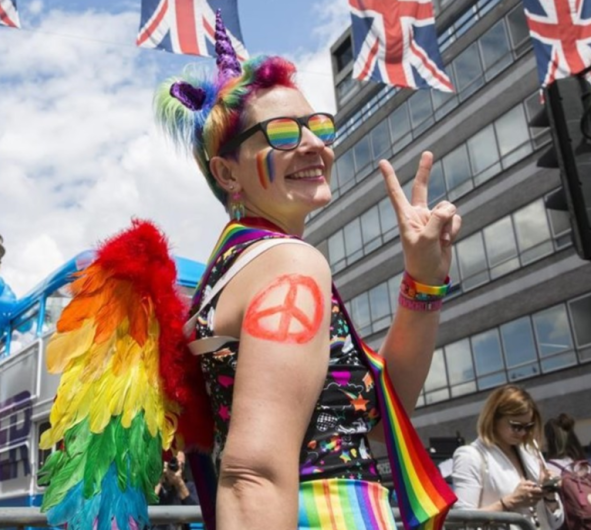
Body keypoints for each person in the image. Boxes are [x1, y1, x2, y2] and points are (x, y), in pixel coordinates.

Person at [149, 12, 461, 530]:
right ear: (227, 172)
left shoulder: (239, 265)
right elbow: (254, 474)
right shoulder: (289, 264)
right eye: (282, 133)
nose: (316, 144)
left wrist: (422, 280)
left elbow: (382, 416)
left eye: (317, 126)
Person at [452, 385, 564, 530]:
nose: (523, 432)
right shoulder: (471, 456)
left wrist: (549, 495)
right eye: (516, 426)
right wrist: (510, 502)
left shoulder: (529, 451)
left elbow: (556, 521)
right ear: (494, 418)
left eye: (528, 426)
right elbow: (460, 522)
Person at [153, 451, 199, 530]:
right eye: (172, 461)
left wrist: (179, 483)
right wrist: (159, 479)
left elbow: (197, 515)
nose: (176, 466)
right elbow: (142, 509)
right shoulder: (154, 484)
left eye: (181, 464)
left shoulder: (190, 486)